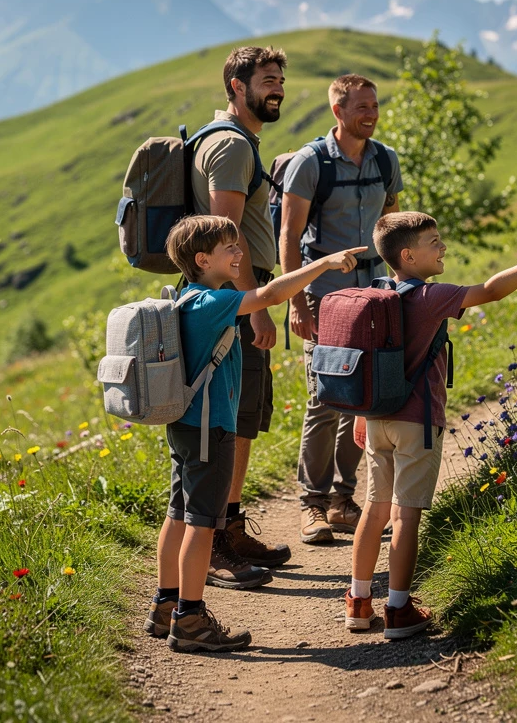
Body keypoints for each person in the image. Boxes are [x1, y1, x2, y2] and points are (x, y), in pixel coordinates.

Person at [346, 212, 517, 639]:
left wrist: (363, 414)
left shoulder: (377, 292)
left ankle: (358, 603)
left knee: (375, 509)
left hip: (377, 419)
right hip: (416, 421)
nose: (443, 248)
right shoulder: (428, 297)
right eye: (434, 241)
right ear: (408, 255)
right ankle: (398, 609)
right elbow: (491, 290)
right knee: (406, 516)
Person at [147, 214, 365, 652]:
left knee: (177, 515)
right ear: (202, 258)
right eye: (230, 248)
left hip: (188, 426)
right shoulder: (211, 303)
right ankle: (191, 620)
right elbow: (269, 294)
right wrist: (321, 266)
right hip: (210, 428)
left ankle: (166, 606)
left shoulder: (188, 297)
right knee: (203, 524)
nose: (239, 254)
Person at [280, 74, 403, 544]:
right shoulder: (311, 163)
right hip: (323, 295)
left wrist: (400, 286)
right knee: (324, 401)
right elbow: (288, 239)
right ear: (338, 111)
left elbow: (392, 222)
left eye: (374, 106)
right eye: (361, 108)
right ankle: (311, 503)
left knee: (364, 398)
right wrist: (296, 303)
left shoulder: (385, 159)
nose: (370, 114)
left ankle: (341, 500)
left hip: (373, 294)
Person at [190, 46, 290, 587]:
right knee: (227, 424)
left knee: (242, 419)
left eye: (280, 80)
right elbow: (225, 243)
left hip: (231, 305)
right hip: (231, 309)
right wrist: (256, 311)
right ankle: (212, 545)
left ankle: (226, 527)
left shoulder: (231, 141)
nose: (276, 88)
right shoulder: (230, 148)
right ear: (235, 84)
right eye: (266, 79)